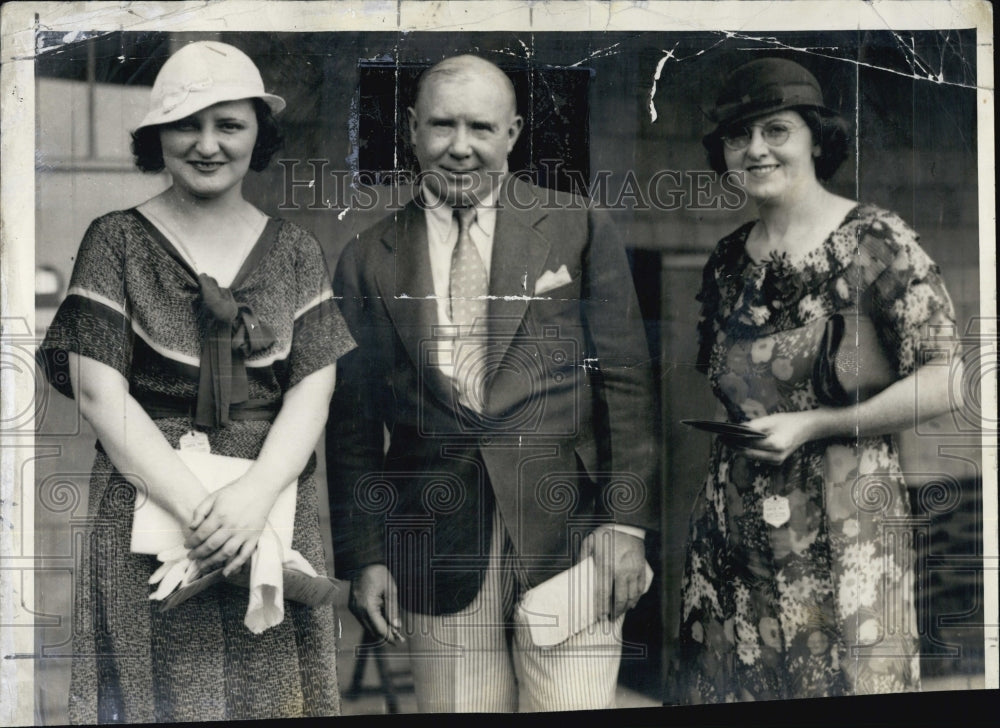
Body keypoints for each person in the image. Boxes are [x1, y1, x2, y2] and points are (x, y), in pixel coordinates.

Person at [327, 54, 657, 712]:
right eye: (442, 126)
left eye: (481, 127)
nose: (460, 147)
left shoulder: (580, 225)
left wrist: (626, 524)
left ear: (513, 133)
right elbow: (352, 427)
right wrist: (364, 556)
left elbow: (626, 387)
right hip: (434, 538)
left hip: (571, 536)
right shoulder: (366, 257)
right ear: (412, 128)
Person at [36, 41, 353, 722]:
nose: (207, 144)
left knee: (272, 688)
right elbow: (98, 393)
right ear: (157, 135)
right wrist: (201, 513)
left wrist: (253, 496)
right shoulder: (115, 240)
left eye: (229, 125)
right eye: (186, 124)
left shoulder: (296, 249)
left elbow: (312, 388)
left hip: (269, 502)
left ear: (256, 136)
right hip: (150, 502)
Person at [677, 57, 963, 702]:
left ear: (815, 138)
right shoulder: (725, 261)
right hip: (735, 517)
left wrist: (818, 423)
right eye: (737, 136)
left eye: (775, 130)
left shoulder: (876, 241)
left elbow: (950, 378)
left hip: (847, 515)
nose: (755, 149)